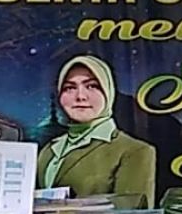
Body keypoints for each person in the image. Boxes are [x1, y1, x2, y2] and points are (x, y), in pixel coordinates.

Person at [37, 55, 157, 204]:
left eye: (92, 86)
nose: (80, 96)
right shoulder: (50, 150)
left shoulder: (134, 151)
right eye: (70, 88)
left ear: (108, 92)